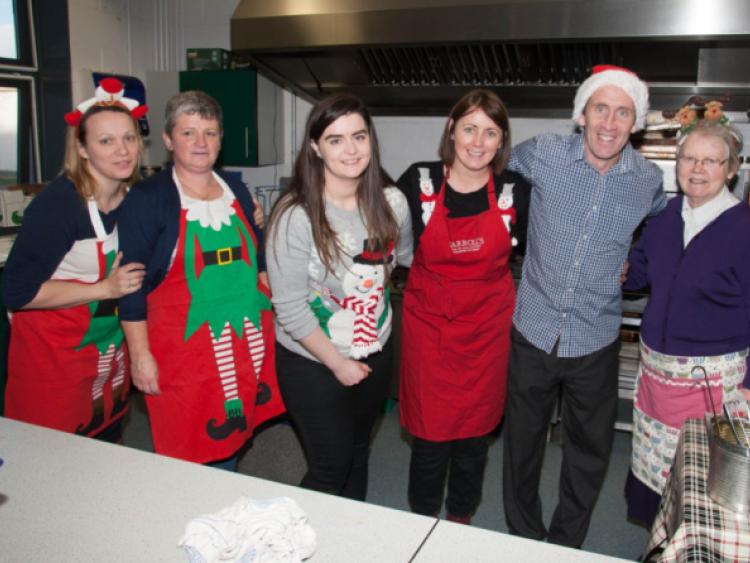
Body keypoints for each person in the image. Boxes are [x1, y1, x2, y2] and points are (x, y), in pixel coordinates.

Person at [502, 64, 666, 547]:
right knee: (523, 443)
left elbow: (659, 222)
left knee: (588, 452)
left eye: (622, 112)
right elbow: (489, 175)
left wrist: (633, 260)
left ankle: (566, 542)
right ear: (582, 114)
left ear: (635, 123)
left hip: (596, 338)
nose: (610, 124)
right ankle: (523, 535)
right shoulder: (542, 154)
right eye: (601, 109)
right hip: (533, 327)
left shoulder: (647, 179)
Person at [117, 91, 284, 469]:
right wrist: (140, 356)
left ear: (220, 139)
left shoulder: (236, 190)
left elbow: (255, 258)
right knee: (188, 449)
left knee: (237, 431)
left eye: (210, 133)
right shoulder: (148, 199)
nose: (201, 143)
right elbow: (132, 288)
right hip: (183, 346)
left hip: (245, 337)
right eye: (188, 132)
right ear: (167, 139)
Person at [266, 94, 413, 500]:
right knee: (329, 468)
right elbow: (290, 308)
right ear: (315, 147)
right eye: (335, 139)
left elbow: (400, 261)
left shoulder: (393, 202)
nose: (350, 150)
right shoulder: (294, 215)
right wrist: (339, 363)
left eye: (359, 136)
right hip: (313, 359)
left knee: (358, 451)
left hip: (375, 352)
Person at [396, 89, 529, 524]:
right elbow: (374, 233)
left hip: (487, 335)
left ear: (501, 140)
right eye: (469, 128)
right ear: (452, 131)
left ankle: (460, 522)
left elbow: (545, 250)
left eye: (490, 132)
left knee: (475, 440)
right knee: (430, 440)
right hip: (430, 332)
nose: (478, 142)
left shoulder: (514, 190)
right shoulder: (418, 181)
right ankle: (421, 519)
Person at [3, 78, 147, 442]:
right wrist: (105, 288)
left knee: (105, 440)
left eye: (129, 137)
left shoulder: (134, 196)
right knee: (51, 454)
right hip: (53, 356)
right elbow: (15, 292)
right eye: (106, 141)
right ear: (81, 149)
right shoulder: (60, 206)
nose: (122, 151)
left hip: (106, 351)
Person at [624, 120, 750, 527]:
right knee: (655, 476)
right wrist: (615, 266)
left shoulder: (744, 228)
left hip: (716, 384)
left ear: (731, 169)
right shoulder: (664, 216)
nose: (697, 168)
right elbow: (641, 273)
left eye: (711, 160)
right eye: (689, 158)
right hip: (657, 377)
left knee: (705, 484)